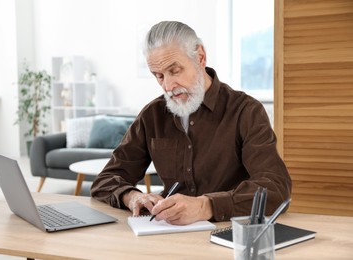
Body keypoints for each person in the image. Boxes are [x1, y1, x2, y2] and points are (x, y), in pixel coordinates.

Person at [91, 21, 291, 225]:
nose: (168, 86)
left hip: (230, 234)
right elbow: (105, 180)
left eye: (175, 71)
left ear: (200, 57)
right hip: (167, 234)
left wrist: (206, 206)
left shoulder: (246, 111)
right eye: (159, 76)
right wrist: (133, 196)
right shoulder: (152, 115)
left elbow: (275, 188)